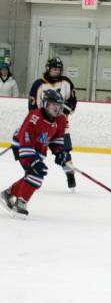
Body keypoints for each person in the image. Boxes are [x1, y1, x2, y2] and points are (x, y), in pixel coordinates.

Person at [1, 89, 69, 217]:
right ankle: (20, 203)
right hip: (22, 145)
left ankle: (9, 193)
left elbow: (57, 139)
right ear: (46, 104)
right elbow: (25, 139)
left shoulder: (61, 120)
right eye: (54, 104)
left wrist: (59, 153)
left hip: (39, 148)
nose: (57, 108)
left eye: (59, 105)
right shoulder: (34, 117)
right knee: (36, 174)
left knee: (34, 175)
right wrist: (33, 160)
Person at [28, 57, 78, 190]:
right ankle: (30, 177)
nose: (56, 71)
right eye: (54, 69)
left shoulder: (66, 82)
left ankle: (70, 176)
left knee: (64, 153)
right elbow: (32, 108)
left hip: (61, 127)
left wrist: (64, 111)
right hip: (43, 127)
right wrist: (37, 123)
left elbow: (72, 101)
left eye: (58, 69)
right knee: (36, 153)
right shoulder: (38, 84)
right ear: (48, 69)